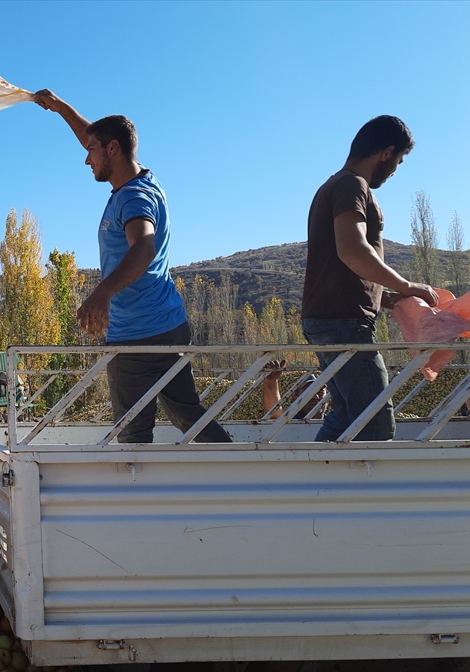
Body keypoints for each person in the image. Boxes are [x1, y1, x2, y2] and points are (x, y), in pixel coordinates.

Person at [34, 90, 230, 444]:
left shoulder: (133, 197)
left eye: (91, 150)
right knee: (188, 415)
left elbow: (143, 247)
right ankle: (241, 471)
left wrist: (101, 294)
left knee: (132, 434)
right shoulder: (144, 181)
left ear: (112, 149)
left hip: (135, 335)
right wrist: (61, 108)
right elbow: (93, 136)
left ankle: (137, 495)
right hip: (168, 324)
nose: (85, 159)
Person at [302, 115, 438, 442]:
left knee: (348, 415)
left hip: (329, 319)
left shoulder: (335, 184)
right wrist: (406, 286)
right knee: (376, 422)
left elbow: (342, 262)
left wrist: (385, 298)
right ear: (387, 152)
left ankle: (314, 487)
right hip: (343, 323)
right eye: (399, 161)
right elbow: (353, 250)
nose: (395, 171)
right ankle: (361, 492)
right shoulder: (352, 185)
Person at [261, 359, 326, 420]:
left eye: (320, 392)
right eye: (308, 392)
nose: (315, 396)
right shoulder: (288, 421)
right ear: (295, 398)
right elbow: (275, 413)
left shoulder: (334, 423)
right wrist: (270, 381)